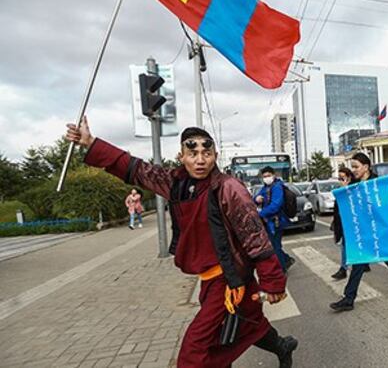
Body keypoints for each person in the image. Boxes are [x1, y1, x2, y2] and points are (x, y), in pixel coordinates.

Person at [65, 118, 298, 367]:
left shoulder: (229, 188)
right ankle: (283, 347)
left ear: (215, 155)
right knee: (247, 326)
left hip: (229, 280)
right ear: (181, 156)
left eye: (206, 153)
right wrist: (90, 142)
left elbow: (255, 236)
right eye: (193, 153)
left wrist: (273, 282)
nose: (200, 160)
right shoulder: (174, 184)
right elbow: (136, 169)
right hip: (208, 280)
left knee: (194, 351)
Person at [330, 153, 388, 312]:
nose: (353, 170)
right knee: (358, 264)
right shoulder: (353, 184)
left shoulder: (377, 184)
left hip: (378, 229)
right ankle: (349, 298)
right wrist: (345, 190)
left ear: (366, 167)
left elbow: (387, 206)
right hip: (363, 232)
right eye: (352, 166)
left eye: (356, 167)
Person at [254, 167, 294, 272]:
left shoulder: (277, 187)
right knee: (274, 245)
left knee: (275, 247)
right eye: (264, 177)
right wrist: (256, 199)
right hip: (270, 222)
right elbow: (257, 196)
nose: (266, 178)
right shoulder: (266, 187)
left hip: (277, 222)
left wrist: (260, 214)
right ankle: (286, 259)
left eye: (268, 176)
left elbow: (275, 205)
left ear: (273, 175)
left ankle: (282, 269)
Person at [330, 167, 365, 280]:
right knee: (345, 246)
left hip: (355, 224)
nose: (340, 181)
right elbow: (338, 210)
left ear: (349, 178)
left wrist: (346, 190)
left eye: (342, 178)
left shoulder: (354, 189)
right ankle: (343, 269)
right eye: (339, 178)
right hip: (345, 224)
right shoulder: (341, 190)